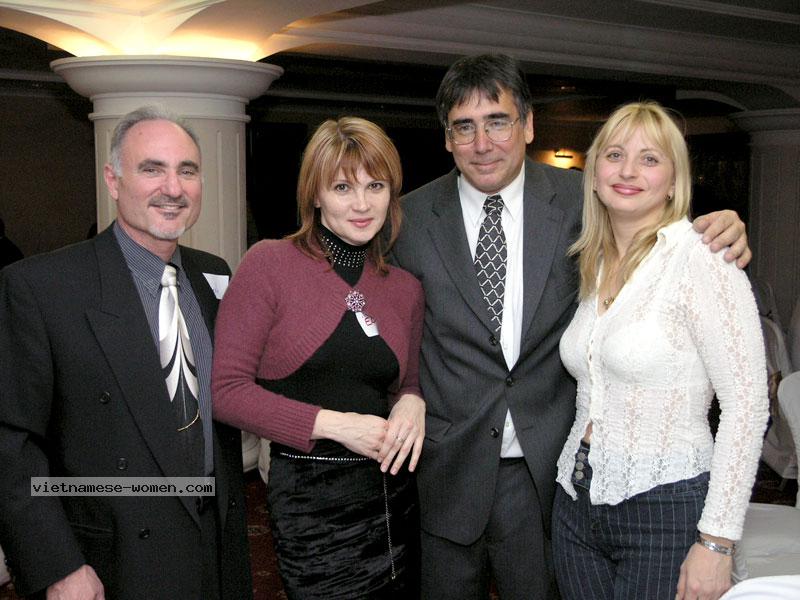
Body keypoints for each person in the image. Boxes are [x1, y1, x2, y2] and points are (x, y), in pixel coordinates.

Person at [390, 53, 751, 600]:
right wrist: (407, 393)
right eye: (464, 127)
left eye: (498, 121)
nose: (482, 143)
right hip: (449, 470)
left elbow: (655, 224)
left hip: (548, 477)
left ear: (529, 125)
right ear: (446, 137)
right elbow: (382, 327)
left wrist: (721, 226)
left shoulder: (583, 201)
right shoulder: (407, 219)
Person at [0, 106, 252, 599]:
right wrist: (58, 567)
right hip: (113, 559)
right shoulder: (42, 286)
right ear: (113, 181)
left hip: (215, 545)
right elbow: (11, 443)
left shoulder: (213, 274)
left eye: (187, 171)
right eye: (152, 169)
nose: (173, 188)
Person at [551, 101, 769, 600]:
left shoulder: (704, 259)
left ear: (674, 181)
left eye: (649, 159)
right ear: (594, 173)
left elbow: (747, 406)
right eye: (614, 155)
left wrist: (717, 541)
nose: (628, 170)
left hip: (666, 508)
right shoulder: (593, 261)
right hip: (575, 498)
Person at [212, 116, 425, 599]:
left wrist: (413, 400)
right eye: (343, 187)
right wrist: (335, 424)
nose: (362, 203)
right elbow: (225, 393)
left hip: (395, 501)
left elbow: (405, 383)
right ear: (315, 195)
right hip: (311, 505)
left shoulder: (405, 288)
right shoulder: (269, 264)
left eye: (375, 186)